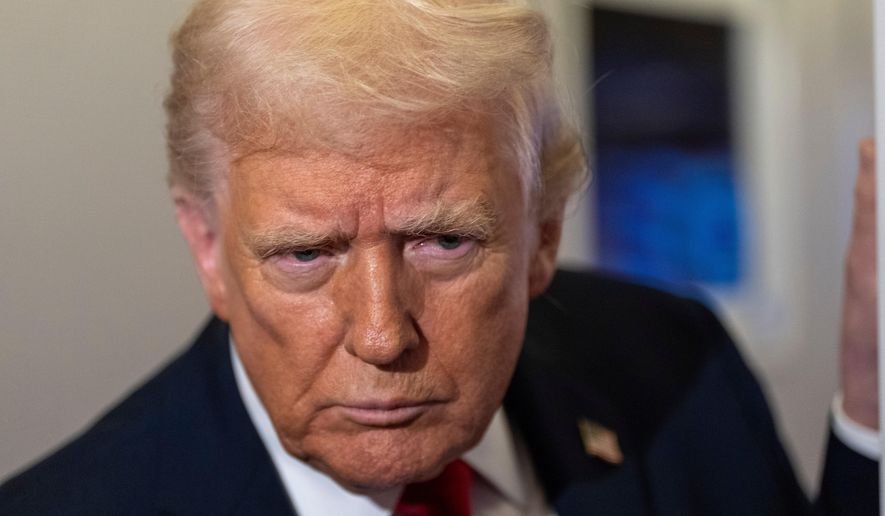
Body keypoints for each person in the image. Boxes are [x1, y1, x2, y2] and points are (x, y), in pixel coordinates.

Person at [0, 0, 878, 514]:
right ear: (207, 247)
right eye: (306, 254)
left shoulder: (674, 362)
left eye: (444, 241)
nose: (382, 336)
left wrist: (871, 402)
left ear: (540, 235)